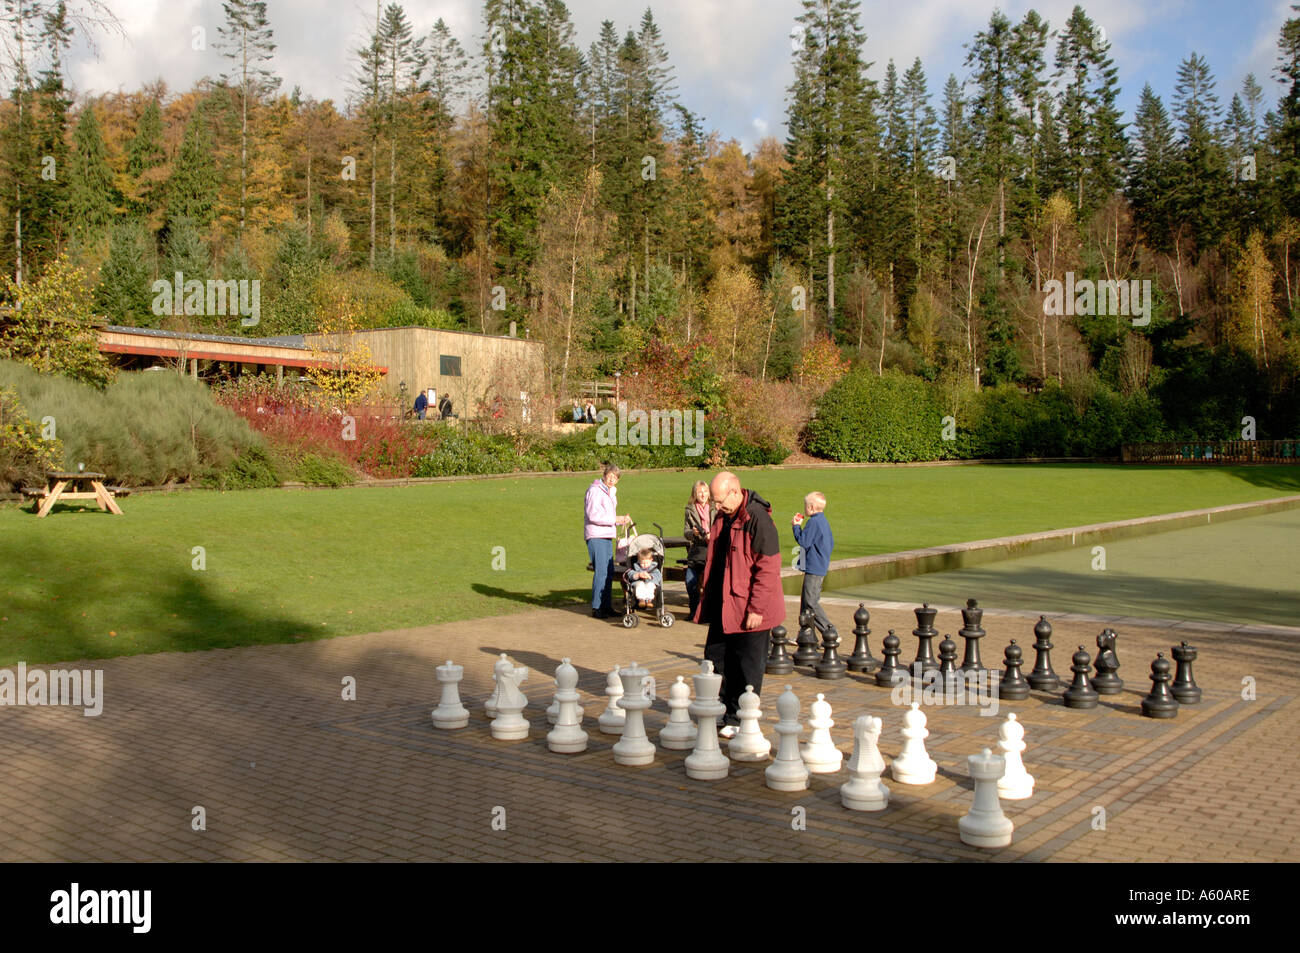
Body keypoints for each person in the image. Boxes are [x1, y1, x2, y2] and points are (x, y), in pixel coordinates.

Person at [692, 471, 785, 730]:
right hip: (725, 604)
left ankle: (741, 718)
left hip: (750, 609)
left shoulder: (758, 519)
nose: (716, 507)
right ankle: (720, 710)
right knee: (716, 658)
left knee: (747, 667)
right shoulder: (723, 516)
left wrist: (756, 608)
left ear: (735, 491)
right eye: (713, 501)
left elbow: (767, 569)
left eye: (719, 501)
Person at [584, 464, 630, 618]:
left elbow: (607, 517)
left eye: (615, 477)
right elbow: (593, 516)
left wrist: (620, 520)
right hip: (596, 535)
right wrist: (616, 519)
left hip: (606, 535)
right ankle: (597, 607)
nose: (612, 479)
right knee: (602, 572)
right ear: (604, 475)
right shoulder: (595, 490)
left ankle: (606, 606)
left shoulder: (610, 492)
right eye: (610, 475)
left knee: (609, 572)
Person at [792, 491, 834, 638]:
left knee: (811, 602)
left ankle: (830, 632)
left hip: (815, 568)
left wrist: (796, 526)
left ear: (811, 507)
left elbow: (803, 541)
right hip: (819, 565)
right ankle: (806, 635)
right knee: (805, 602)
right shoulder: (823, 521)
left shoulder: (814, 522)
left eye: (805, 506)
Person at [683, 480, 714, 620]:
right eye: (700, 492)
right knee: (690, 580)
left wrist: (712, 534)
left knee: (711, 583)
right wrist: (693, 533)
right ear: (695, 494)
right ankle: (694, 611)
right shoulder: (690, 510)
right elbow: (686, 532)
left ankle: (708, 612)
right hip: (696, 550)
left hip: (712, 549)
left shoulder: (715, 508)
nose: (703, 494)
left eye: (705, 491)